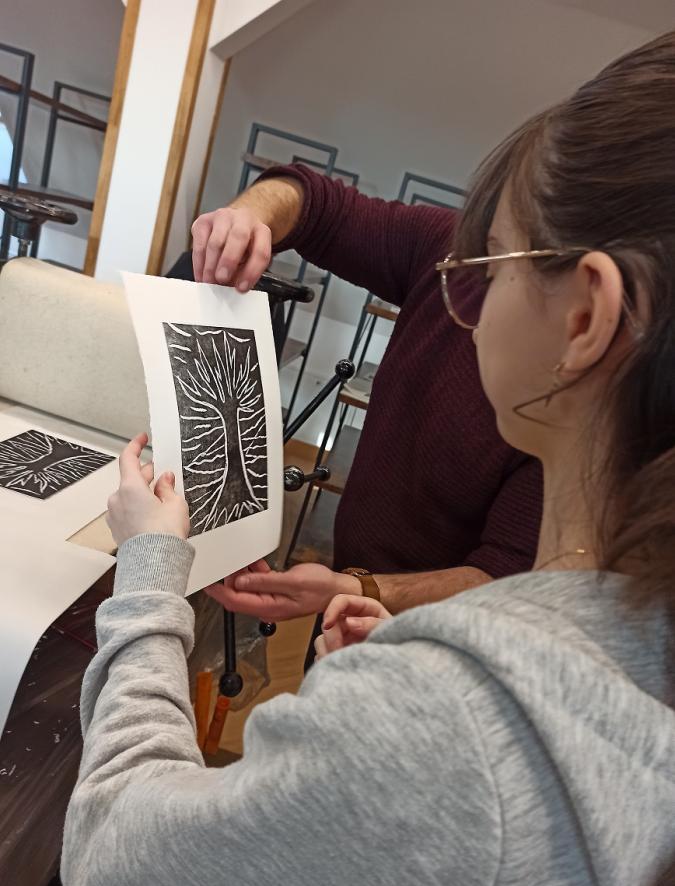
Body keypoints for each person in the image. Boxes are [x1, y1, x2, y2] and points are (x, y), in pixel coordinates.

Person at [61, 32, 675, 886]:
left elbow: (116, 852)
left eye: (490, 262)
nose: (461, 283)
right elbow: (311, 199)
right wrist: (254, 214)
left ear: (583, 318)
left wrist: (151, 568)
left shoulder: (451, 721)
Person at [190, 143, 544, 635]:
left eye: (503, 264)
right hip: (352, 595)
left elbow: (505, 575)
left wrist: (359, 590)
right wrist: (248, 216)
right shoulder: (454, 248)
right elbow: (314, 201)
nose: (474, 320)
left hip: (443, 637)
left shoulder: (569, 409)